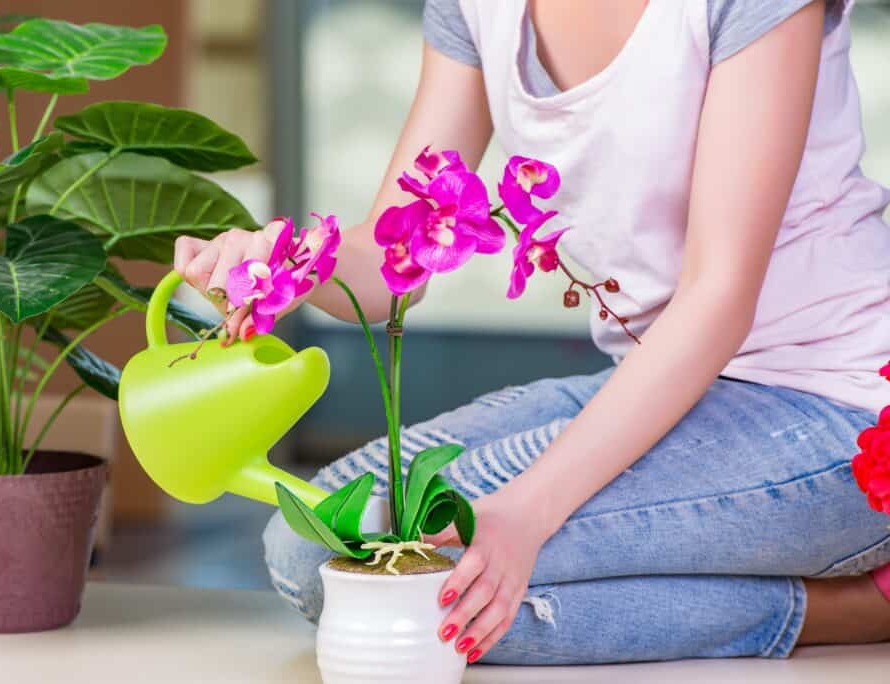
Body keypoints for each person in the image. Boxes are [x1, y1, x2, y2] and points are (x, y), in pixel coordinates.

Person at [173, 0, 890, 665]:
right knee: (317, 547)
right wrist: (287, 261)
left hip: (839, 409)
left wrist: (526, 510)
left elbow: (718, 298)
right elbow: (395, 263)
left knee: (427, 585)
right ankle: (829, 602)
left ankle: (854, 606)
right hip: (658, 389)